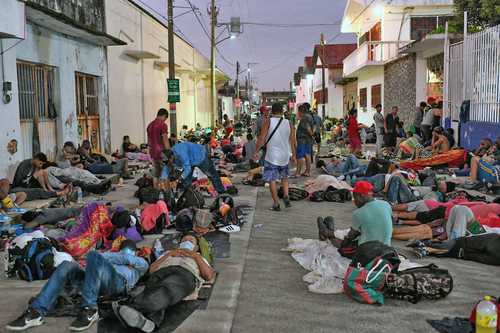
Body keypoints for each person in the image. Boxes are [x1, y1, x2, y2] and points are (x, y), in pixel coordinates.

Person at [6, 240, 148, 332]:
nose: (126, 254)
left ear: (136, 252)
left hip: (117, 284)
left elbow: (126, 258)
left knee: (93, 255)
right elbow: (114, 258)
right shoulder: (111, 258)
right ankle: (36, 312)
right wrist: (107, 257)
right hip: (92, 281)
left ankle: (89, 309)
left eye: (129, 252)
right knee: (66, 265)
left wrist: (109, 256)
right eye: (123, 251)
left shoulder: (141, 263)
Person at [113, 235, 215, 333]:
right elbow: (152, 270)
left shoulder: (199, 257)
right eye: (184, 240)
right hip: (160, 273)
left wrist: (195, 256)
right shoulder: (169, 253)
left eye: (191, 241)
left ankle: (132, 307)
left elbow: (209, 276)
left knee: (167, 289)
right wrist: (169, 254)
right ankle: (151, 322)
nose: (186, 242)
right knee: (154, 288)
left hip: (185, 273)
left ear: (196, 247)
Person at [318, 181, 393, 247]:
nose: (354, 201)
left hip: (368, 251)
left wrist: (339, 235)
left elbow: (351, 236)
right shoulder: (386, 204)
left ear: (361, 196)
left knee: (345, 244)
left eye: (355, 197)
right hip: (386, 246)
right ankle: (329, 231)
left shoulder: (359, 213)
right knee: (356, 231)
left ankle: (327, 233)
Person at [254, 103, 296, 211]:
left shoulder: (268, 121)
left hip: (272, 156)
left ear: (272, 111)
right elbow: (292, 141)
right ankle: (286, 195)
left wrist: (256, 151)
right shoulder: (289, 123)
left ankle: (276, 203)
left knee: (272, 179)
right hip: (285, 155)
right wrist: (294, 155)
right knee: (284, 177)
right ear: (282, 111)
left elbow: (262, 138)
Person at [147, 108, 170, 189]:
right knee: (166, 173)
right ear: (164, 116)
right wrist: (169, 152)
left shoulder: (149, 125)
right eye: (165, 118)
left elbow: (149, 141)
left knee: (156, 174)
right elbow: (165, 140)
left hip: (153, 152)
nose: (165, 120)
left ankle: (156, 192)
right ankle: (166, 193)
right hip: (162, 153)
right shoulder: (163, 125)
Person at [294, 103, 314, 177]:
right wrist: (312, 135)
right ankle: (307, 171)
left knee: (300, 156)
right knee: (307, 155)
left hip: (303, 140)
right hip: (308, 139)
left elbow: (308, 128)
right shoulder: (309, 116)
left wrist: (312, 134)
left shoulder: (305, 118)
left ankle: (298, 172)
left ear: (300, 111)